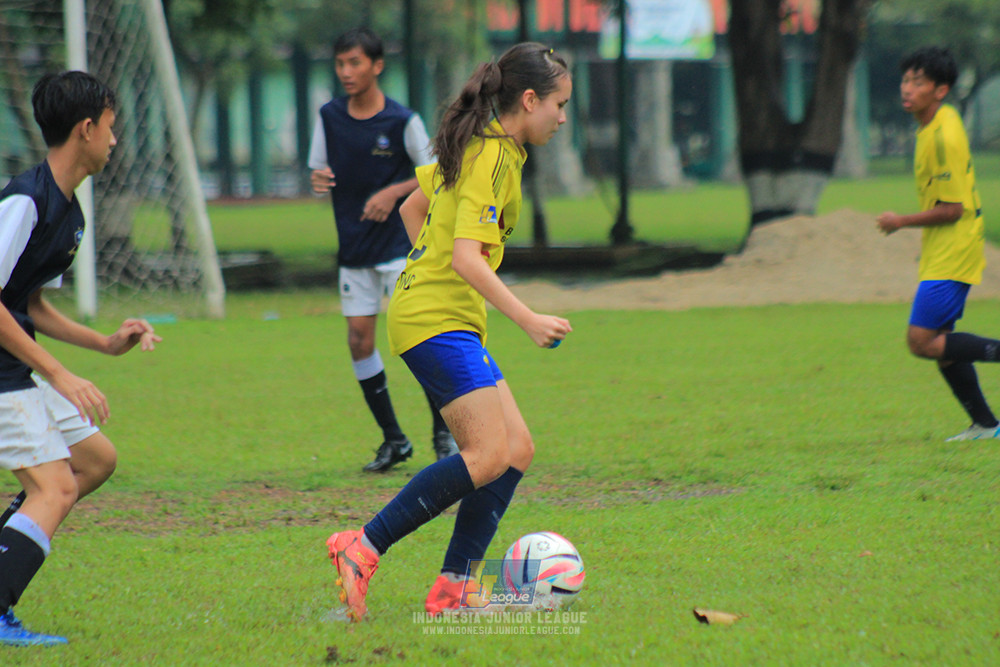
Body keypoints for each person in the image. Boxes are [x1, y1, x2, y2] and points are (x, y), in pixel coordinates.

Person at [325, 42, 573, 621]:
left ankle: (454, 587)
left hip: (441, 315)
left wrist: (425, 267)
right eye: (559, 105)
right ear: (529, 99)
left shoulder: (490, 148)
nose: (563, 118)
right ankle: (362, 545)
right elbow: (465, 258)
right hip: (434, 320)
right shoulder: (490, 155)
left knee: (516, 451)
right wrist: (527, 317)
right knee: (486, 453)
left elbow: (415, 208)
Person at [0, 71, 161, 647]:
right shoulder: (24, 200)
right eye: (112, 129)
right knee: (55, 490)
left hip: (14, 365)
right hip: (2, 374)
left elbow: (28, 303)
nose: (115, 141)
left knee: (93, 460)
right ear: (86, 128)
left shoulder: (69, 214)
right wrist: (59, 373)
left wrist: (103, 345)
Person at [307, 28, 458, 473]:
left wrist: (393, 192)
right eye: (340, 64)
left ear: (377, 65)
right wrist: (318, 181)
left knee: (421, 340)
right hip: (354, 247)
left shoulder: (401, 121)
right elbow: (319, 173)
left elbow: (437, 172)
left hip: (399, 247)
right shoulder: (329, 117)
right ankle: (394, 439)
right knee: (359, 340)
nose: (346, 72)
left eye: (355, 63)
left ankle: (443, 433)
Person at [877, 46, 1000, 441]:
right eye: (905, 80)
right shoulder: (933, 123)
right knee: (943, 345)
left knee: (921, 341)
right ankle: (986, 426)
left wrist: (900, 221)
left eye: (918, 82)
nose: (907, 89)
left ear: (941, 90)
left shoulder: (944, 136)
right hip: (943, 247)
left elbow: (952, 208)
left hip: (954, 247)